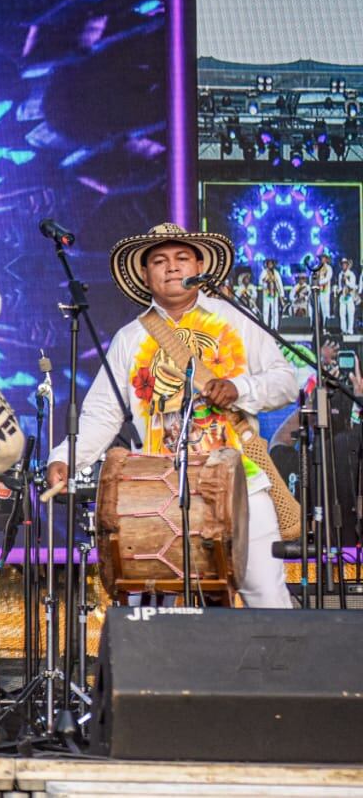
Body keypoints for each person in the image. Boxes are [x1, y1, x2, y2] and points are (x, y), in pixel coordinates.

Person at [47, 222, 297, 609]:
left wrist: (239, 388)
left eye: (182, 258)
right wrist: (65, 457)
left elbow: (285, 382)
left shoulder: (235, 320)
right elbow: (101, 414)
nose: (172, 267)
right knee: (165, 607)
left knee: (266, 596)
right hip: (161, 490)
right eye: (160, 261)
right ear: (146, 276)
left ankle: (283, 671)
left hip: (241, 482)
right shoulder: (131, 338)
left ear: (199, 265)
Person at [260, 259, 283, 330]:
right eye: (269, 263)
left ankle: (274, 327)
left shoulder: (276, 273)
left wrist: (281, 294)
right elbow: (260, 282)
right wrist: (266, 282)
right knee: (266, 310)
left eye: (271, 264)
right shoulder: (264, 272)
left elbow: (280, 284)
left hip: (274, 294)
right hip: (267, 293)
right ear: (267, 264)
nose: (270, 265)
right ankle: (265, 326)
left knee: (275, 311)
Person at [339, 258, 357, 335]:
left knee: (350, 313)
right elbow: (340, 285)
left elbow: (353, 286)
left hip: (349, 296)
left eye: (345, 264)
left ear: (347, 265)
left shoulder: (351, 274)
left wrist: (346, 280)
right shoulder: (340, 274)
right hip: (343, 296)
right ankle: (343, 330)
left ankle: (350, 330)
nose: (343, 265)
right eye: (342, 264)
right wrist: (338, 290)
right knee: (342, 313)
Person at [316, 252, 334, 322]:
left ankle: (326, 325)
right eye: (321, 258)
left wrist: (319, 282)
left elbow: (328, 278)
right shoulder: (317, 267)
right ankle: (319, 325)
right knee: (318, 308)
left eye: (324, 258)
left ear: (326, 259)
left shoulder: (329, 268)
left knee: (326, 308)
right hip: (318, 290)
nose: (322, 259)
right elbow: (313, 275)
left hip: (325, 290)